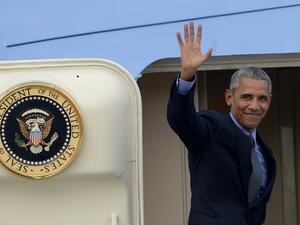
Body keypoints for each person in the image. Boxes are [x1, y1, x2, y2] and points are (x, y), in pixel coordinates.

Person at [167, 21, 276, 225]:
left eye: (262, 99)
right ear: (229, 97)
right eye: (246, 97)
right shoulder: (211, 129)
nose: (254, 105)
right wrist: (187, 76)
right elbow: (181, 120)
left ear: (269, 101)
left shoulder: (265, 153)